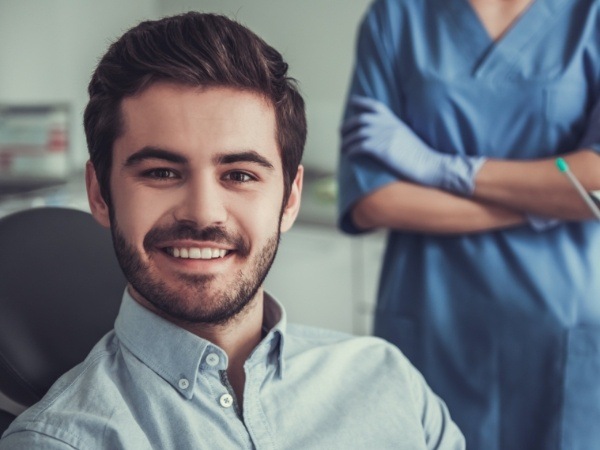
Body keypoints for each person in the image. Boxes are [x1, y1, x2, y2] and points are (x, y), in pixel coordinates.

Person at [0, 12, 464, 450]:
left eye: (240, 174)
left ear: (290, 198)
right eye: (162, 172)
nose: (204, 214)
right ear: (100, 194)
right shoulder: (61, 440)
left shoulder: (388, 379)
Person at [338, 0, 600, 449]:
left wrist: (442, 169)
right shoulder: (397, 16)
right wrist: (549, 200)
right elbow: (373, 199)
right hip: (433, 316)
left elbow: (595, 179)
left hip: (562, 326)